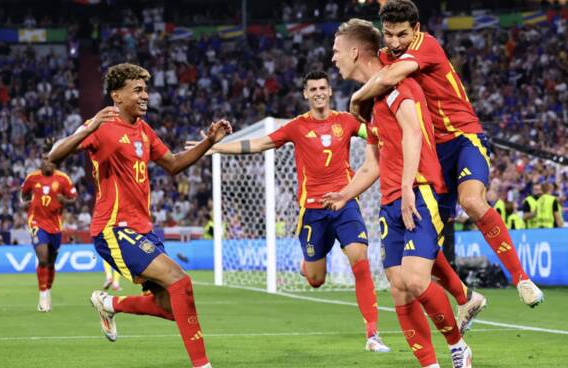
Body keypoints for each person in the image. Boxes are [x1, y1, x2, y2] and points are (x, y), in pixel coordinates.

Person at [349, 0, 543, 308]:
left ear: (417, 30)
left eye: (402, 34)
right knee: (425, 232)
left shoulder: (427, 46)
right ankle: (465, 299)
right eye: (389, 35)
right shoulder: (389, 54)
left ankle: (521, 278)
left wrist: (357, 98)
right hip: (433, 153)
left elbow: (386, 78)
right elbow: (375, 67)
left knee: (471, 201)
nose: (395, 42)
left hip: (464, 137)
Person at [186, 70, 389, 353]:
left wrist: (393, 130)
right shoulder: (296, 126)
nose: (318, 92)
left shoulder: (347, 121)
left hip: (344, 204)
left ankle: (372, 334)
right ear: (305, 94)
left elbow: (379, 133)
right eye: (312, 89)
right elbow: (259, 143)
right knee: (316, 280)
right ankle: (307, 265)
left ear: (330, 91)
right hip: (313, 212)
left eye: (322, 87)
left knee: (360, 261)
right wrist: (213, 147)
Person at [48, 62, 231, 368]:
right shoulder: (101, 125)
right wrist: (88, 127)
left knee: (172, 306)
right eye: (138, 90)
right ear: (116, 96)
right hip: (114, 228)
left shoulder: (143, 130)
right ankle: (203, 365)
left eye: (146, 89)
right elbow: (53, 155)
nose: (145, 95)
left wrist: (209, 142)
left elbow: (173, 164)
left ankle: (110, 303)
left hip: (143, 230)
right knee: (180, 282)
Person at [325, 19, 471, 367]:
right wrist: (345, 195)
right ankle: (431, 364)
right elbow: (372, 165)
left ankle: (458, 346)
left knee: (416, 279)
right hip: (391, 200)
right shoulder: (375, 100)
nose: (333, 59)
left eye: (336, 51)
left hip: (418, 192)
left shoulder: (394, 82)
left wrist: (407, 187)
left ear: (355, 51)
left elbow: (412, 133)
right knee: (398, 288)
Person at [21, 154, 77, 312]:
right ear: (41, 161)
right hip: (37, 222)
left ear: (56, 164)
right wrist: (25, 203)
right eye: (45, 160)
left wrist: (65, 201)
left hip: (56, 226)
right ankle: (43, 297)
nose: (48, 164)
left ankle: (48, 292)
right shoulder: (32, 178)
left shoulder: (63, 179)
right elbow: (23, 193)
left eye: (52, 161)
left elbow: (73, 197)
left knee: (51, 262)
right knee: (43, 259)